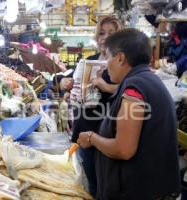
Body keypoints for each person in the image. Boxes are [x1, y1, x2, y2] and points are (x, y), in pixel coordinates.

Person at [77, 29, 180, 199]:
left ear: (120, 58)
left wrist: (91, 138)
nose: (105, 65)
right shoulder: (148, 80)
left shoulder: (134, 88)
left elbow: (124, 149)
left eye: (108, 57)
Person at [70, 16, 122, 197]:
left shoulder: (120, 65)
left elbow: (130, 88)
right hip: (84, 128)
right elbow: (69, 82)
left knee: (106, 185)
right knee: (89, 182)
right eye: (101, 33)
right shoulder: (88, 61)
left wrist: (105, 86)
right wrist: (65, 83)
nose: (104, 37)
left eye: (110, 33)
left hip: (107, 133)